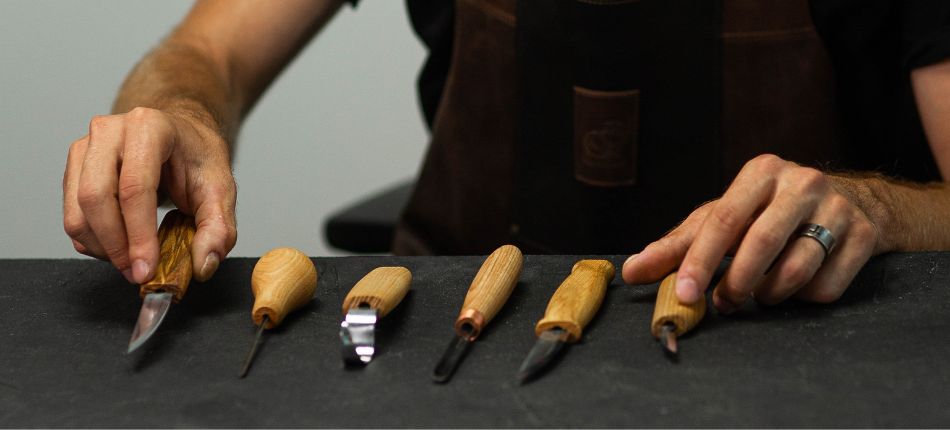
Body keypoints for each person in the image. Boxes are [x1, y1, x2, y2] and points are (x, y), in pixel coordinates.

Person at [63, 0, 950, 315]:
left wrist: (873, 208)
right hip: (456, 342)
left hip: (784, 353)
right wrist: (173, 113)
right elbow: (206, 54)